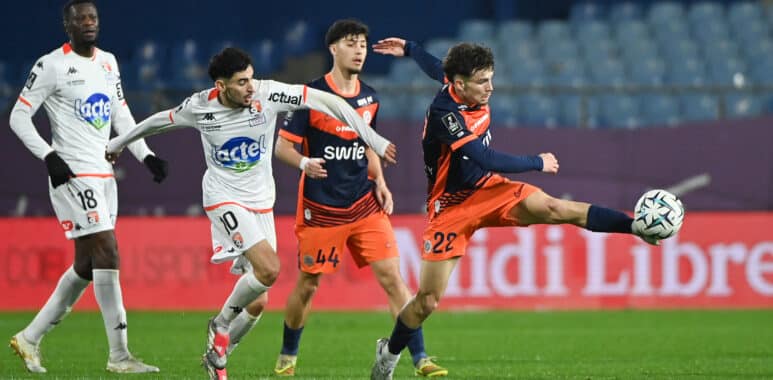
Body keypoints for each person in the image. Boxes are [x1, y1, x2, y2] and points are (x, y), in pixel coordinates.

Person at [367, 38, 667, 379]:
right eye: (483, 82)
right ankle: (388, 354)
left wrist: (410, 48)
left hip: (490, 190)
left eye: (491, 78)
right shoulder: (443, 115)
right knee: (427, 302)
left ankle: (635, 228)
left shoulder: (458, 82)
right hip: (450, 207)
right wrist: (535, 161)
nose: (491, 88)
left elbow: (438, 67)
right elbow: (482, 156)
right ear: (460, 84)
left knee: (555, 208)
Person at [104, 46, 396, 380]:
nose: (250, 87)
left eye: (251, 78)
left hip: (261, 203)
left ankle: (219, 357)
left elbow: (325, 100)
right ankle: (220, 325)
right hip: (223, 197)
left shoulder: (267, 94)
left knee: (257, 303)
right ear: (221, 85)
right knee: (270, 269)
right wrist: (118, 144)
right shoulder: (200, 107)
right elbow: (159, 122)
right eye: (241, 82)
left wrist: (370, 135)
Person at [272, 20, 447, 378]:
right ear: (333, 49)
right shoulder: (308, 96)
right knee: (308, 284)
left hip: (365, 204)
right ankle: (287, 357)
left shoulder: (370, 97)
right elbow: (282, 147)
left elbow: (367, 144)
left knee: (394, 280)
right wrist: (305, 162)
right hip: (321, 208)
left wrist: (380, 180)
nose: (360, 50)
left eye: (364, 45)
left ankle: (420, 358)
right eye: (351, 44)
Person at [7, 0, 166, 374]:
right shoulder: (51, 65)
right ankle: (120, 355)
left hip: (103, 173)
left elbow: (120, 114)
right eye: (80, 18)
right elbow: (18, 116)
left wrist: (145, 154)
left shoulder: (108, 62)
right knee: (108, 251)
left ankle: (29, 338)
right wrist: (49, 156)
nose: (88, 23)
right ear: (67, 25)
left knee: (86, 265)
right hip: (72, 173)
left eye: (92, 17)